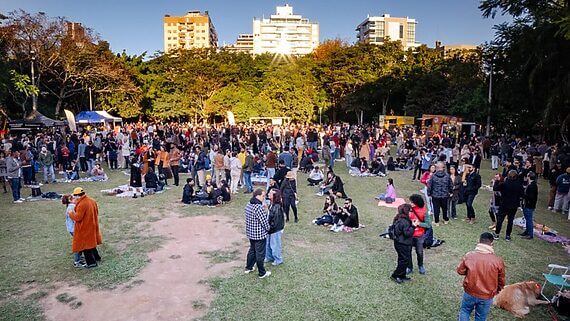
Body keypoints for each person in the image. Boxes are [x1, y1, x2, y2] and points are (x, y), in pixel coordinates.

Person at [457, 232, 505, 321]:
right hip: (487, 295)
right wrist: (497, 290)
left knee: (465, 311)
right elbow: (501, 280)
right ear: (491, 244)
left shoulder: (469, 256)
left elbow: (460, 271)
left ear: (479, 241)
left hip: (470, 291)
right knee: (481, 317)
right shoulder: (498, 261)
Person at [68, 187, 102, 268]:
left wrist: (71, 213)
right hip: (92, 224)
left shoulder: (82, 204)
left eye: (75, 196)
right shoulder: (92, 201)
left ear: (77, 196)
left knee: (85, 246)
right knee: (91, 243)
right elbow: (96, 212)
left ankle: (91, 263)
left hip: (85, 227)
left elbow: (78, 217)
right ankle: (97, 257)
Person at [244, 189, 271, 279]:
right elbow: (264, 222)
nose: (264, 198)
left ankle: (249, 267)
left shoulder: (249, 204)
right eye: (263, 196)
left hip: (251, 233)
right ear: (257, 196)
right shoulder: (258, 208)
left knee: (252, 250)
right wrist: (268, 229)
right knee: (260, 254)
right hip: (259, 235)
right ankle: (262, 273)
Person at [492, 170, 524, 241]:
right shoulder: (519, 184)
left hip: (504, 204)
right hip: (513, 205)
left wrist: (497, 181)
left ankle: (497, 234)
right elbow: (522, 194)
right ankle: (508, 236)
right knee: (510, 220)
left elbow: (495, 188)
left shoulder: (505, 183)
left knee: (500, 220)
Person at [391, 204, 415, 284]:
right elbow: (407, 233)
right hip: (403, 244)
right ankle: (396, 275)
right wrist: (413, 226)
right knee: (404, 260)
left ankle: (402, 275)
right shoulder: (404, 221)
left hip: (399, 243)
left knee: (402, 259)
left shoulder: (399, 219)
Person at [407, 194, 431, 275]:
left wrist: (419, 224)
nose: (410, 203)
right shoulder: (408, 209)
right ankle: (409, 267)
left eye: (412, 202)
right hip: (409, 234)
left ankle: (420, 265)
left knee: (419, 252)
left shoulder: (424, 212)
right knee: (408, 251)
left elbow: (428, 225)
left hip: (419, 235)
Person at [62, 194, 83, 267]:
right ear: (70, 200)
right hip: (74, 229)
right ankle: (77, 261)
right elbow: (76, 218)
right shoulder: (72, 207)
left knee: (80, 243)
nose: (76, 199)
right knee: (78, 245)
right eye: (74, 198)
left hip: (71, 228)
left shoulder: (69, 206)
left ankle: (79, 257)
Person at [265, 189, 285, 266]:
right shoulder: (271, 204)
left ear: (275, 196)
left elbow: (276, 221)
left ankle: (278, 259)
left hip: (275, 229)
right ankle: (269, 257)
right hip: (271, 229)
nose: (269, 194)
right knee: (268, 244)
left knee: (275, 245)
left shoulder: (277, 207)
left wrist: (270, 228)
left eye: (271, 193)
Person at [521, 172, 538, 239]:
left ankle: (530, 234)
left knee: (529, 219)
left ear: (529, 177)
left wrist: (523, 195)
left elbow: (530, 197)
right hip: (528, 204)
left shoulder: (532, 186)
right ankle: (527, 231)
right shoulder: (532, 184)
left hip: (529, 205)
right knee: (527, 218)